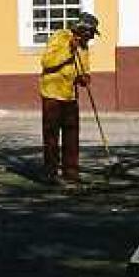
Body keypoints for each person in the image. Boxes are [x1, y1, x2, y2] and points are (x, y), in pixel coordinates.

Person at [39, 12, 99, 185]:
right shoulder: (60, 37)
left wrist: (84, 77)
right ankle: (50, 172)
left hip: (70, 95)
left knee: (71, 134)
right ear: (81, 29)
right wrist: (68, 50)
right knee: (51, 135)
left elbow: (83, 67)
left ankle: (71, 171)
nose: (91, 37)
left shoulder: (84, 47)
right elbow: (47, 62)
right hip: (52, 93)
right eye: (90, 33)